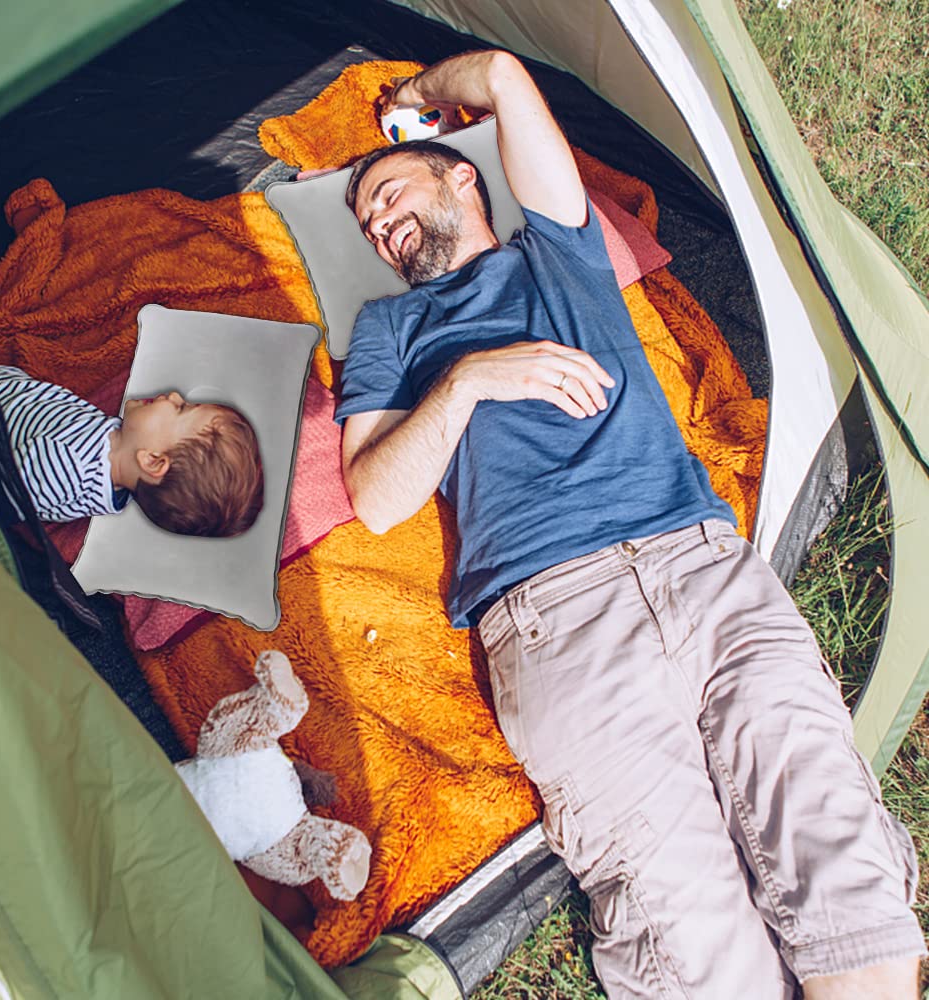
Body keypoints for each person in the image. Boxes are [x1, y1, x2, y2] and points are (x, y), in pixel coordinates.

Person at [335, 50, 925, 999]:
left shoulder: (561, 245)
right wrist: (472, 379)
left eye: (392, 195)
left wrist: (409, 99)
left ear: (460, 172)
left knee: (830, 838)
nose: (383, 226)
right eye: (368, 225)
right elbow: (375, 495)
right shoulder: (388, 331)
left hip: (699, 563)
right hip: (555, 618)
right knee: (686, 930)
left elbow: (496, 73)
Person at [0, 365, 264, 536]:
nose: (174, 395)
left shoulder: (69, 467)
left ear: (152, 461)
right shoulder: (116, 453)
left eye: (181, 409)